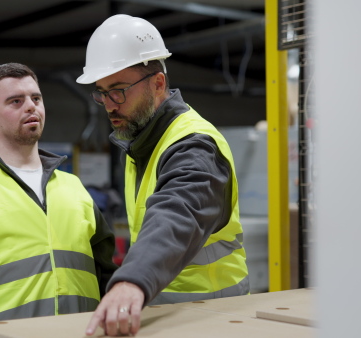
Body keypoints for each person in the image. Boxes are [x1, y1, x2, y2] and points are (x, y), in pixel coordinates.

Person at [76, 15, 250, 336]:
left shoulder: (194, 145)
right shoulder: (141, 143)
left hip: (215, 317)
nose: (108, 105)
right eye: (101, 93)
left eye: (118, 91)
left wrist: (131, 281)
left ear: (157, 84)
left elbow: (176, 214)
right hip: (170, 317)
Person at [0, 63, 117, 337]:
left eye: (36, 98)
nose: (31, 106)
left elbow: (107, 274)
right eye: (16, 101)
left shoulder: (75, 189)